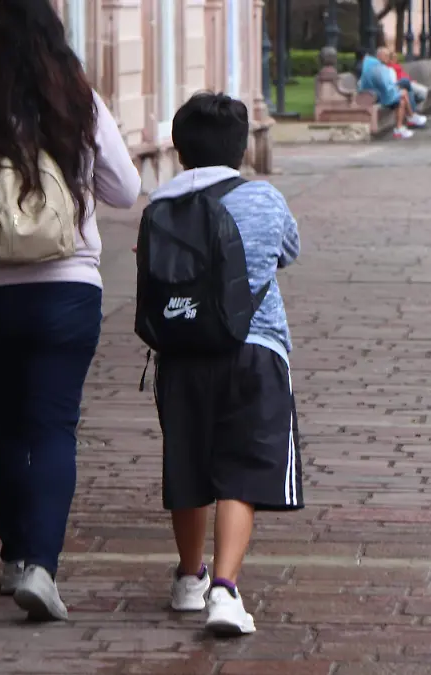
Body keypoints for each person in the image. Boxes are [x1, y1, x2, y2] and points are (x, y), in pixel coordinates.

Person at [0, 0, 141, 621]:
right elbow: (125, 190)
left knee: (6, 424)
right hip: (66, 289)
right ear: (55, 37)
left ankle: (15, 556)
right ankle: (42, 567)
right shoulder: (78, 99)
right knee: (51, 426)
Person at [147, 92, 303, 636]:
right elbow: (288, 250)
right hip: (256, 351)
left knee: (187, 463)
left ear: (179, 147)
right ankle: (226, 591)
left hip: (181, 353)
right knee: (241, 468)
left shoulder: (160, 204)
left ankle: (190, 578)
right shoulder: (263, 198)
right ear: (241, 149)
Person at [359, 47, 425, 139]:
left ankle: (399, 128)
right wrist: (396, 90)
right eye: (385, 55)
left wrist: (395, 89)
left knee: (402, 99)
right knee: (404, 92)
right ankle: (410, 117)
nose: (387, 57)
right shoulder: (376, 67)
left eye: (388, 55)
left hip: (379, 94)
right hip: (374, 95)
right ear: (379, 56)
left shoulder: (379, 66)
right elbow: (383, 86)